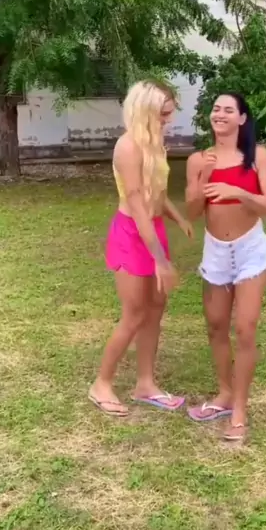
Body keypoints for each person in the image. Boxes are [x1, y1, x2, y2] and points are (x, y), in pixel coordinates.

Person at [89, 80, 192, 417]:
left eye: (170, 113)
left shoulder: (154, 142)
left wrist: (178, 217)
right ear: (144, 111)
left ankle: (145, 384)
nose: (168, 120)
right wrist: (160, 259)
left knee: (156, 307)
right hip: (132, 233)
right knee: (134, 313)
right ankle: (101, 384)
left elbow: (157, 193)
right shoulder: (128, 148)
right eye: (163, 114)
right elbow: (136, 205)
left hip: (154, 228)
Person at [185, 92, 266, 441]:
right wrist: (203, 179)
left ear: (242, 118)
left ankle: (239, 410)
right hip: (216, 251)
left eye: (228, 110)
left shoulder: (258, 157)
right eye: (216, 109)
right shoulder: (198, 159)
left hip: (249, 249)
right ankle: (225, 393)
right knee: (215, 326)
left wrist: (238, 192)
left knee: (245, 329)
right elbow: (192, 212)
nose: (220, 114)